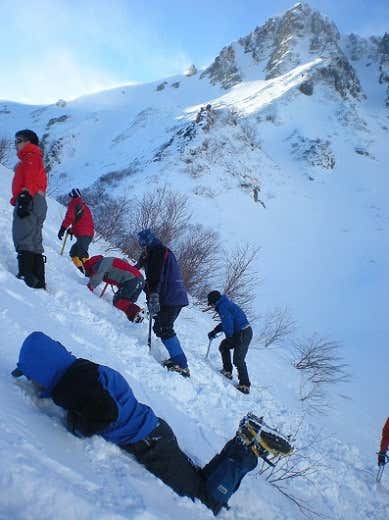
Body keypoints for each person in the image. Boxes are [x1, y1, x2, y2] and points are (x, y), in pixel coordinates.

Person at [11, 332, 290, 516]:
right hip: (154, 431)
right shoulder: (82, 369)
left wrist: (76, 424)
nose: (33, 382)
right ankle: (244, 440)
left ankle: (246, 449)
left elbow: (104, 412)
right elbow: (102, 401)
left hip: (150, 445)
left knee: (206, 500)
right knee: (199, 481)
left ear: (42, 371)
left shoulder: (71, 386)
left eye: (33, 375)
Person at [136, 229, 189, 377]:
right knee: (160, 327)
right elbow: (150, 270)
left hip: (170, 297)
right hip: (171, 297)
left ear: (147, 242)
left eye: (143, 245)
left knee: (164, 328)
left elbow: (156, 276)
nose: (142, 248)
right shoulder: (156, 252)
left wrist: (153, 296)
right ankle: (179, 361)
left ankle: (182, 365)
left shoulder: (158, 252)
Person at [10, 129, 47, 289]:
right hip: (39, 200)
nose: (16, 144)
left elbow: (30, 177)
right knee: (34, 238)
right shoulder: (35, 157)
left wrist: (25, 197)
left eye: (18, 140)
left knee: (23, 234)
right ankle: (38, 278)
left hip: (30, 198)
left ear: (28, 142)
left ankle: (26, 275)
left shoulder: (30, 156)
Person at [207, 291, 253, 394]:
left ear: (215, 301)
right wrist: (215, 331)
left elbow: (228, 324)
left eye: (211, 303)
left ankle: (245, 385)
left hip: (243, 333)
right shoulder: (225, 304)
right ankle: (227, 371)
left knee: (238, 359)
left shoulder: (223, 306)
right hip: (240, 332)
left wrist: (230, 337)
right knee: (224, 346)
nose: (211, 306)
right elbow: (227, 322)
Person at [83, 255, 145, 322]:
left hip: (132, 280)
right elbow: (121, 271)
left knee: (118, 301)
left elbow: (96, 279)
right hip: (140, 279)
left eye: (89, 273)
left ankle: (136, 315)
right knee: (128, 301)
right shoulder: (107, 260)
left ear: (91, 267)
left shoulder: (102, 263)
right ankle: (137, 314)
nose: (90, 275)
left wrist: (87, 290)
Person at [58, 188, 94, 272]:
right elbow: (83, 222)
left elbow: (70, 217)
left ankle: (88, 273)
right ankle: (81, 271)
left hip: (83, 234)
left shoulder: (74, 204)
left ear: (73, 196)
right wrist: (72, 230)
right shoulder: (85, 207)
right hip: (89, 234)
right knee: (74, 252)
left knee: (81, 254)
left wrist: (62, 229)